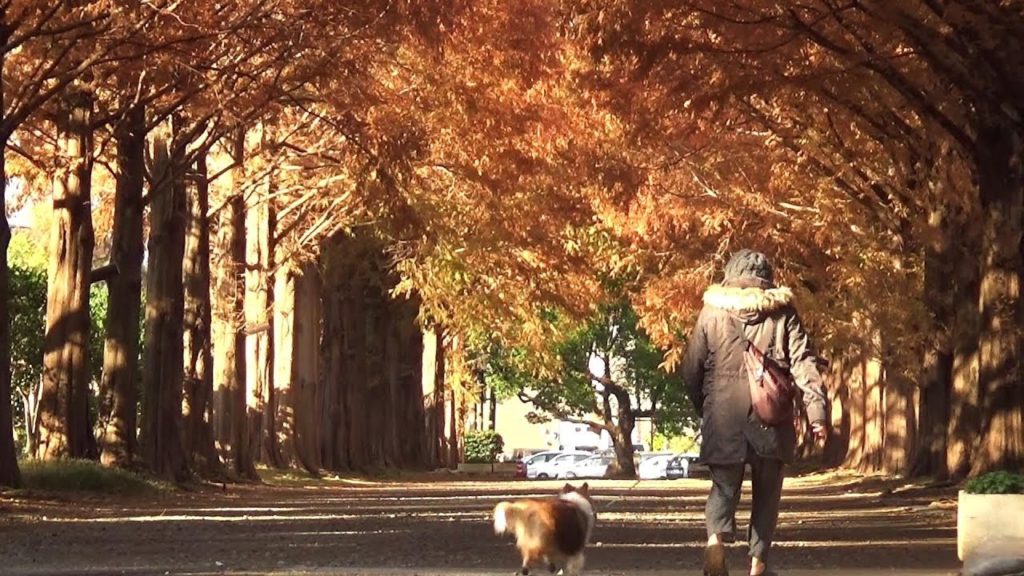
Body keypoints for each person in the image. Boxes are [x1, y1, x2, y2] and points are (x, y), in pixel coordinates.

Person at [681, 249, 828, 576]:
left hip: (723, 417)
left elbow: (692, 368)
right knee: (767, 492)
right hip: (770, 419)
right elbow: (804, 363)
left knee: (724, 487)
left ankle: (716, 540)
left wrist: (704, 409)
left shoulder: (711, 312)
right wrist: (817, 414)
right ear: (767, 279)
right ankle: (758, 564)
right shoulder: (783, 313)